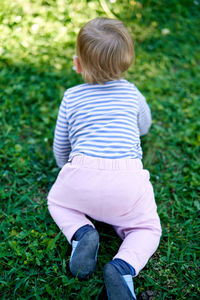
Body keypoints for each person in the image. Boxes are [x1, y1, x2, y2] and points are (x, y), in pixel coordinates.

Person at [47, 17, 162, 300]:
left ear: (77, 64)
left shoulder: (71, 97)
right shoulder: (132, 93)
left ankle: (81, 231)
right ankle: (124, 266)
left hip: (80, 176)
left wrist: (69, 170)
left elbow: (60, 146)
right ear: (127, 64)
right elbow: (144, 126)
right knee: (147, 229)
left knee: (57, 201)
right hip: (128, 183)